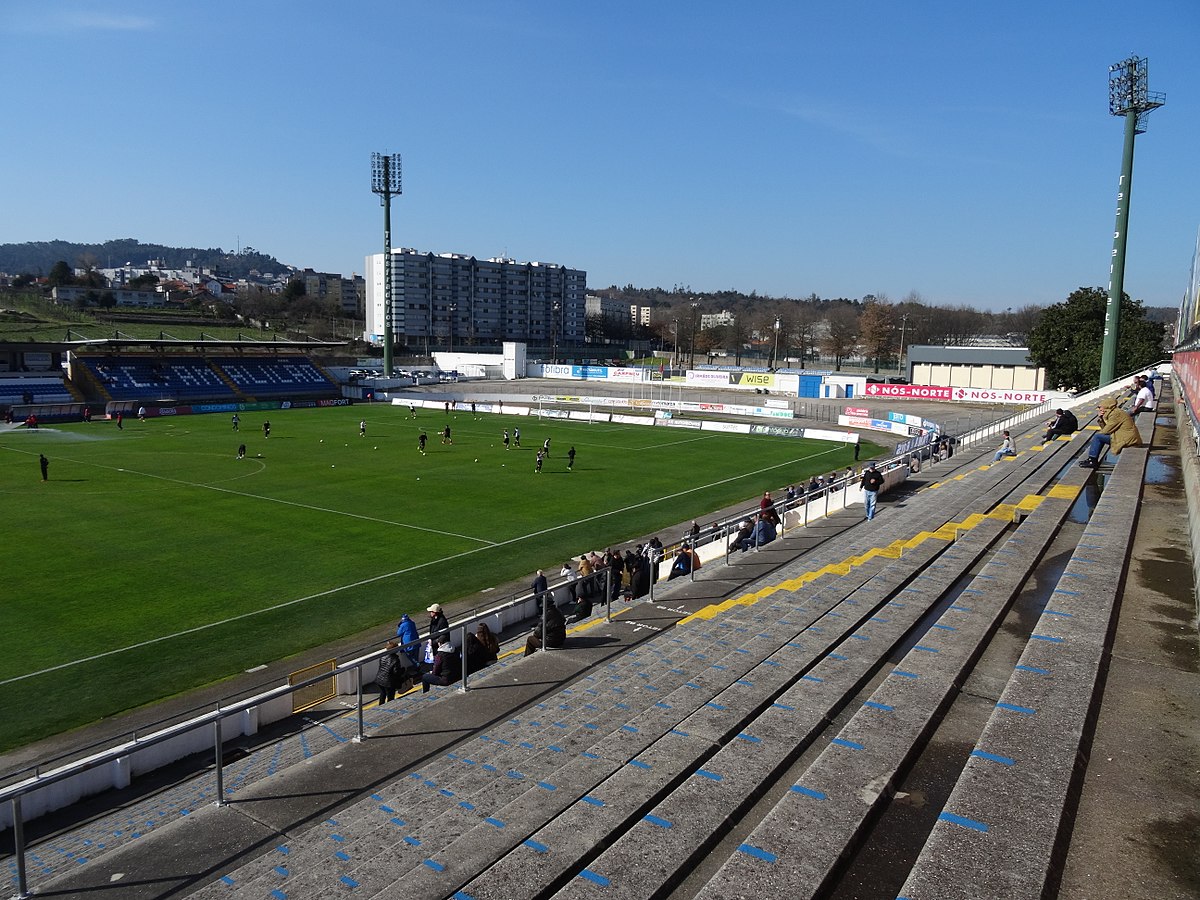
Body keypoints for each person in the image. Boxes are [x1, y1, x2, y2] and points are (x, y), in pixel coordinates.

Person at [1078, 396, 1142, 468]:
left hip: (1127, 439)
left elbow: (1106, 430)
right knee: (1099, 436)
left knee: (1097, 437)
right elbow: (1106, 428)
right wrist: (1101, 418)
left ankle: (1092, 460)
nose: (1099, 409)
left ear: (1107, 407)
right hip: (1123, 437)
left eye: (1100, 407)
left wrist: (1103, 419)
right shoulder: (1114, 413)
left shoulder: (1116, 414)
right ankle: (1091, 459)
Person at [374, 641, 406, 705]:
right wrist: (403, 670)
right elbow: (396, 672)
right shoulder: (395, 659)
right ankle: (389, 706)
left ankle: (381, 706)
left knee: (383, 694)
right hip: (389, 682)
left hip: (379, 679)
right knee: (390, 697)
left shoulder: (383, 656)